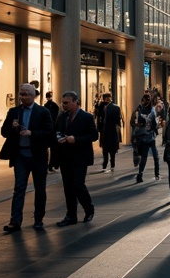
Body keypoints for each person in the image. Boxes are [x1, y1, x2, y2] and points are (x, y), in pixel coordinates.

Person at [0, 83, 54, 232]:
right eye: (21, 94)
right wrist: (13, 128)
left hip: (38, 156)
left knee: (40, 188)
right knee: (19, 188)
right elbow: (4, 132)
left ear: (33, 95)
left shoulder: (42, 112)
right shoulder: (14, 112)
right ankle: (15, 220)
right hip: (20, 156)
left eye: (26, 94)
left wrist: (32, 133)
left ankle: (38, 218)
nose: (23, 97)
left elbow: (49, 133)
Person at [54, 91, 98, 226]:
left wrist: (76, 139)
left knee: (78, 184)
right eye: (63, 103)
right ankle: (71, 214)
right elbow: (56, 131)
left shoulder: (86, 117)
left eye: (66, 103)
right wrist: (59, 138)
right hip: (65, 156)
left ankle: (88, 208)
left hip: (80, 157)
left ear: (75, 102)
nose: (64, 105)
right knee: (68, 186)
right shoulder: (62, 117)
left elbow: (94, 136)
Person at [132, 93, 160, 182]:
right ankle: (156, 174)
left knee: (145, 157)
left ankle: (141, 174)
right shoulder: (151, 110)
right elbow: (154, 123)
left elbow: (137, 122)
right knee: (154, 156)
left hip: (145, 136)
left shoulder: (140, 110)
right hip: (149, 136)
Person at [98, 93, 123, 172]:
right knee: (112, 149)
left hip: (105, 131)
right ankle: (111, 164)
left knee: (106, 148)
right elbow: (118, 121)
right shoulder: (115, 108)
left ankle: (106, 164)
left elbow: (99, 119)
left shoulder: (102, 107)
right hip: (111, 131)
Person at [43, 91, 60, 171]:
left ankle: (50, 165)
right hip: (52, 130)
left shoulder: (45, 107)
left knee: (49, 148)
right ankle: (52, 165)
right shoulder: (54, 106)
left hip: (48, 130)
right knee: (53, 149)